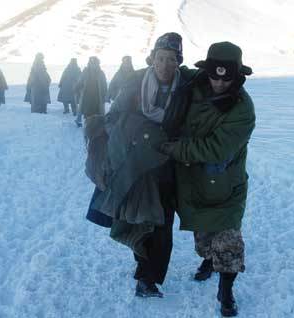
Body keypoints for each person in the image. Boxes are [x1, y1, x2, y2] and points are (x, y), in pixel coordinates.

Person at [85, 33, 197, 298]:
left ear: (179, 61)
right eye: (160, 58)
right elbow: (112, 119)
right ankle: (142, 269)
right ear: (152, 58)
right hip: (136, 165)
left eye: (172, 59)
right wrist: (141, 131)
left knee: (162, 224)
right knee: (138, 221)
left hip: (169, 167)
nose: (165, 65)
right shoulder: (135, 82)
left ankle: (149, 278)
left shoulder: (186, 87)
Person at [160, 41, 256, 316]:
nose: (219, 83)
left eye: (227, 79)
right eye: (214, 75)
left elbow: (215, 149)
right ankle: (208, 260)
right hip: (192, 183)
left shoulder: (243, 110)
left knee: (228, 242)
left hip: (224, 186)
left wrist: (174, 148)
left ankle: (226, 292)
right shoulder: (192, 82)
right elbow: (164, 73)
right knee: (203, 239)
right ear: (207, 71)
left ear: (238, 77)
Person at [74, 56, 107, 127]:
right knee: (87, 112)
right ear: (89, 63)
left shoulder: (101, 73)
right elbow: (80, 81)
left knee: (97, 112)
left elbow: (104, 85)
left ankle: (96, 125)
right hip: (87, 97)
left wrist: (105, 95)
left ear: (97, 63)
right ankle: (87, 125)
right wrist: (77, 87)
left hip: (98, 97)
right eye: (91, 63)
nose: (93, 65)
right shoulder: (85, 71)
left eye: (94, 63)